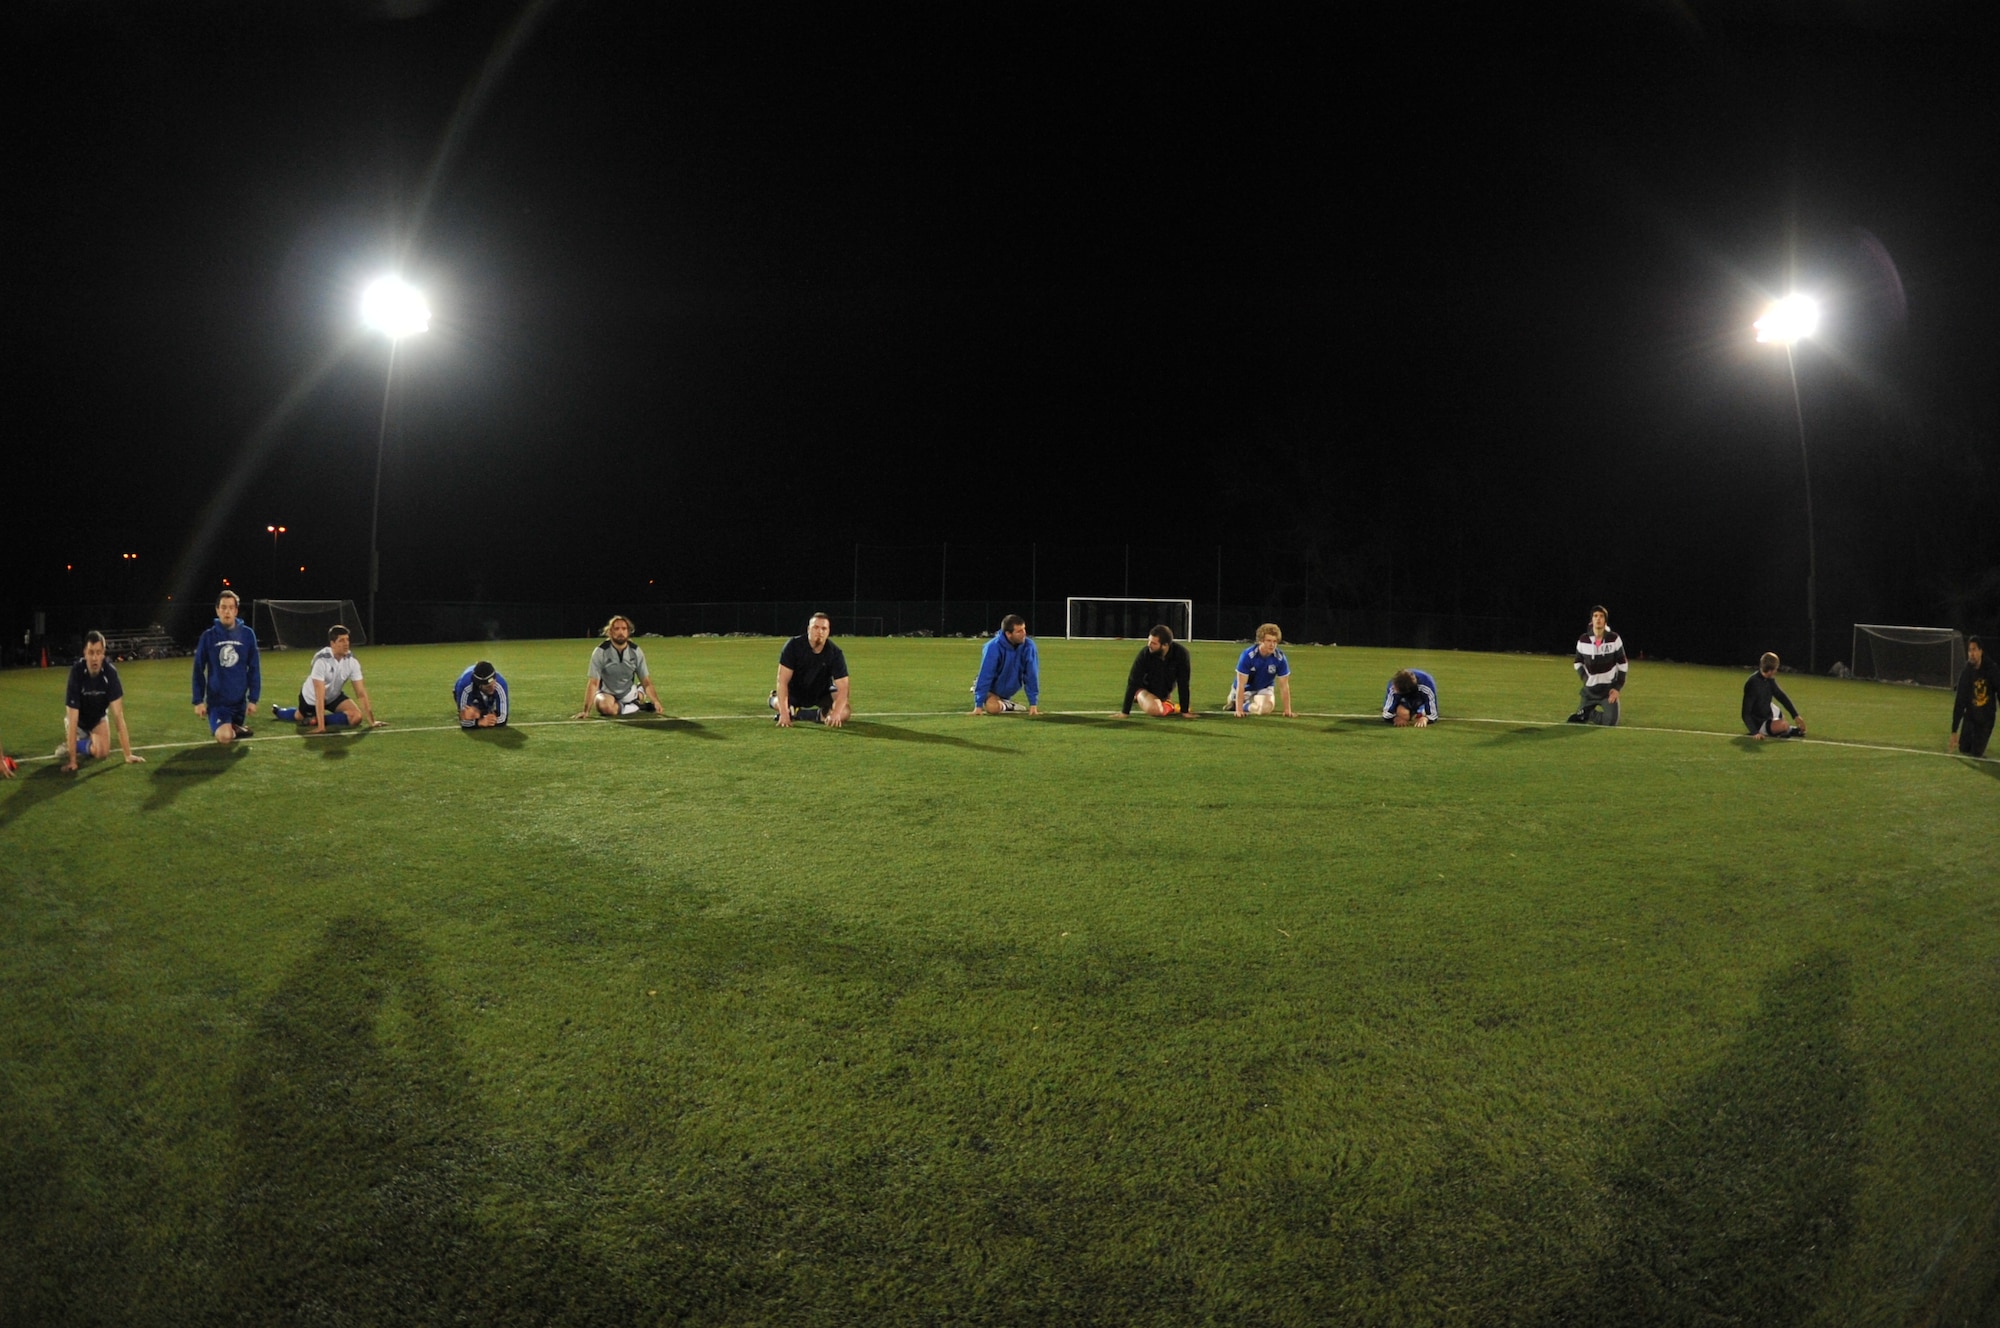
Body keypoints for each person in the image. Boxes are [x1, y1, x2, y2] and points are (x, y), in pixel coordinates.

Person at [272, 625, 384, 733]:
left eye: (347, 640)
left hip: (333, 695)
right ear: (332, 644)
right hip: (311, 698)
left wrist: (372, 722)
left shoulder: (352, 661)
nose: (346, 644)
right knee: (298, 716)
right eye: (341, 640)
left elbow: (361, 693)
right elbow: (319, 695)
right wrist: (321, 727)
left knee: (356, 717)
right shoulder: (321, 660)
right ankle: (279, 711)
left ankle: (315, 719)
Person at [62, 630, 145, 772]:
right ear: (85, 653)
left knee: (102, 753)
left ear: (103, 653)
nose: (94, 658)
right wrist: (72, 761)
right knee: (74, 727)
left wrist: (128, 754)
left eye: (98, 652)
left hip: (97, 718)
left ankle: (78, 743)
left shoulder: (110, 674)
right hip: (79, 720)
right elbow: (73, 716)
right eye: (91, 652)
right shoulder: (76, 672)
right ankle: (73, 745)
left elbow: (118, 717)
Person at [191, 589, 261, 744]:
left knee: (228, 732)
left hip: (239, 702)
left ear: (236, 611)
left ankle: (235, 727)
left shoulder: (248, 635)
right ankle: (232, 729)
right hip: (218, 703)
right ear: (217, 610)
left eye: (230, 608)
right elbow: (198, 669)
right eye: (223, 607)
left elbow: (254, 668)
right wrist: (198, 701)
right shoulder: (208, 637)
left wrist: (253, 699)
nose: (227, 611)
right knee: (224, 737)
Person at [574, 615, 665, 718]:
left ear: (628, 631)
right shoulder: (600, 652)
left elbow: (646, 682)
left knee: (615, 708)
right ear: (610, 632)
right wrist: (586, 711)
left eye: (624, 628)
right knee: (605, 708)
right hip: (606, 692)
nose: (621, 632)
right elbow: (593, 683)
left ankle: (638, 696)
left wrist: (656, 702)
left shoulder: (635, 652)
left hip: (627, 693)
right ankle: (637, 705)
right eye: (616, 629)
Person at [771, 612, 851, 727]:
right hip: (794, 691)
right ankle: (789, 710)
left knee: (845, 711)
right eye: (816, 627)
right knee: (777, 702)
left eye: (824, 628)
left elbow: (843, 688)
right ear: (809, 629)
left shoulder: (835, 653)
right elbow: (782, 681)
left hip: (821, 692)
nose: (820, 631)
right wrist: (783, 713)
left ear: (828, 631)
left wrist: (836, 713)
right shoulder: (793, 646)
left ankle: (799, 713)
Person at [1568, 604, 1627, 726]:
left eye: (1601, 616)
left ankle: (1587, 713)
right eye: (1595, 616)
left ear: (1605, 620)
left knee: (1611, 722)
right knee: (1578, 721)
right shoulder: (1583, 640)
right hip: (1590, 691)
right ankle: (1586, 712)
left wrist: (1617, 688)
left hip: (1607, 691)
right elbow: (1577, 662)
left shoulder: (1614, 638)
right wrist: (1586, 679)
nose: (1598, 619)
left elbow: (1622, 664)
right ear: (1592, 620)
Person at [971, 613, 1040, 715]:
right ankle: (1009, 705)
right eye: (1019, 631)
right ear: (1008, 634)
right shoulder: (993, 647)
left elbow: (1031, 675)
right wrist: (978, 705)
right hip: (991, 688)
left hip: (1008, 689)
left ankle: (1005, 702)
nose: (1024, 633)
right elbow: (986, 674)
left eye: (1024, 629)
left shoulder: (1029, 646)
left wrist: (1033, 704)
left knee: (995, 705)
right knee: (993, 708)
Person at [1121, 624, 1194, 717]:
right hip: (1144, 689)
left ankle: (1165, 702)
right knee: (1155, 710)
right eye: (1149, 641)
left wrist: (1185, 711)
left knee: (1159, 704)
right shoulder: (1145, 654)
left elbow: (1183, 683)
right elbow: (1133, 681)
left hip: (1165, 692)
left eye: (1154, 643)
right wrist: (1125, 712)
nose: (1149, 645)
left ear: (1165, 645)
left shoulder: (1181, 654)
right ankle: (1167, 705)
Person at [1227, 623, 1296, 717]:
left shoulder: (1280, 658)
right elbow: (1241, 684)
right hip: (1245, 689)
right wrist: (1238, 710)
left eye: (1275, 641)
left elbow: (1284, 686)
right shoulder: (1248, 656)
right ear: (1260, 641)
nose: (1272, 645)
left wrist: (1287, 710)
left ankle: (1246, 706)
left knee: (1266, 708)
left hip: (1264, 687)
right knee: (1246, 701)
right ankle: (1236, 702)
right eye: (1268, 641)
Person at [1741, 652, 1805, 739]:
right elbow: (1745, 713)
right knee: (1783, 725)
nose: (1776, 671)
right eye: (1776, 669)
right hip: (1759, 721)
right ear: (1770, 671)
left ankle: (1786, 730)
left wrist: (1796, 716)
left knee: (1779, 713)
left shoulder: (1769, 680)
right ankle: (1787, 730)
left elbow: (1781, 697)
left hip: (1766, 712)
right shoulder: (1753, 683)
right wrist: (1755, 732)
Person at [1950, 634, 1994, 757]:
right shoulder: (1966, 672)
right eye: (1969, 650)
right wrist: (1954, 730)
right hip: (1970, 717)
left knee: (1976, 753)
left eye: (1974, 650)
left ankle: (1981, 741)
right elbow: (1960, 701)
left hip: (1985, 719)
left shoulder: (1991, 669)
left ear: (1980, 651)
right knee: (1963, 749)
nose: (1971, 653)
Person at [456, 660, 511, 728]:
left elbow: (503, 718)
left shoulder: (500, 684)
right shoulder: (465, 686)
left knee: (484, 710)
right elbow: (464, 721)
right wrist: (479, 722)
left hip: (482, 693)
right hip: (464, 688)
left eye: (494, 682)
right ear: (479, 685)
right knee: (471, 713)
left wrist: (483, 717)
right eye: (488, 686)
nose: (493, 687)